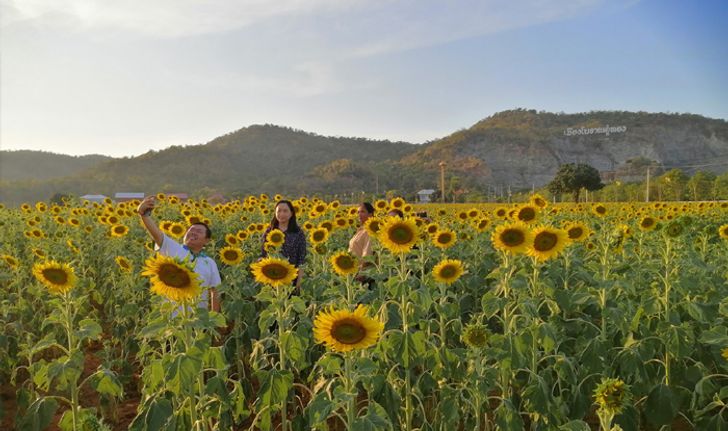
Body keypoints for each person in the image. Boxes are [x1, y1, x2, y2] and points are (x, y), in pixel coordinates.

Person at [137, 196, 221, 312]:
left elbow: (215, 290)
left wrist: (214, 318)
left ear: (206, 240)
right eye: (190, 230)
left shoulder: (210, 262)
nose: (193, 233)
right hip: (174, 321)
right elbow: (157, 235)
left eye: (198, 231)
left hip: (199, 322)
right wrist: (144, 215)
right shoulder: (174, 249)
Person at [260, 200, 306, 287]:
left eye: (285, 211)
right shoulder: (269, 232)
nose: (281, 214)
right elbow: (264, 254)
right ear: (275, 213)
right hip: (272, 278)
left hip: (291, 278)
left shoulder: (298, 233)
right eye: (279, 211)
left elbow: (301, 259)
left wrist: (299, 282)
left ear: (291, 213)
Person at [349, 202, 375, 286]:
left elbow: (368, 254)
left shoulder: (370, 231)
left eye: (362, 212)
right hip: (354, 271)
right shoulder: (361, 229)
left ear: (370, 214)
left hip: (362, 274)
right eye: (358, 212)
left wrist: (362, 273)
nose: (359, 214)